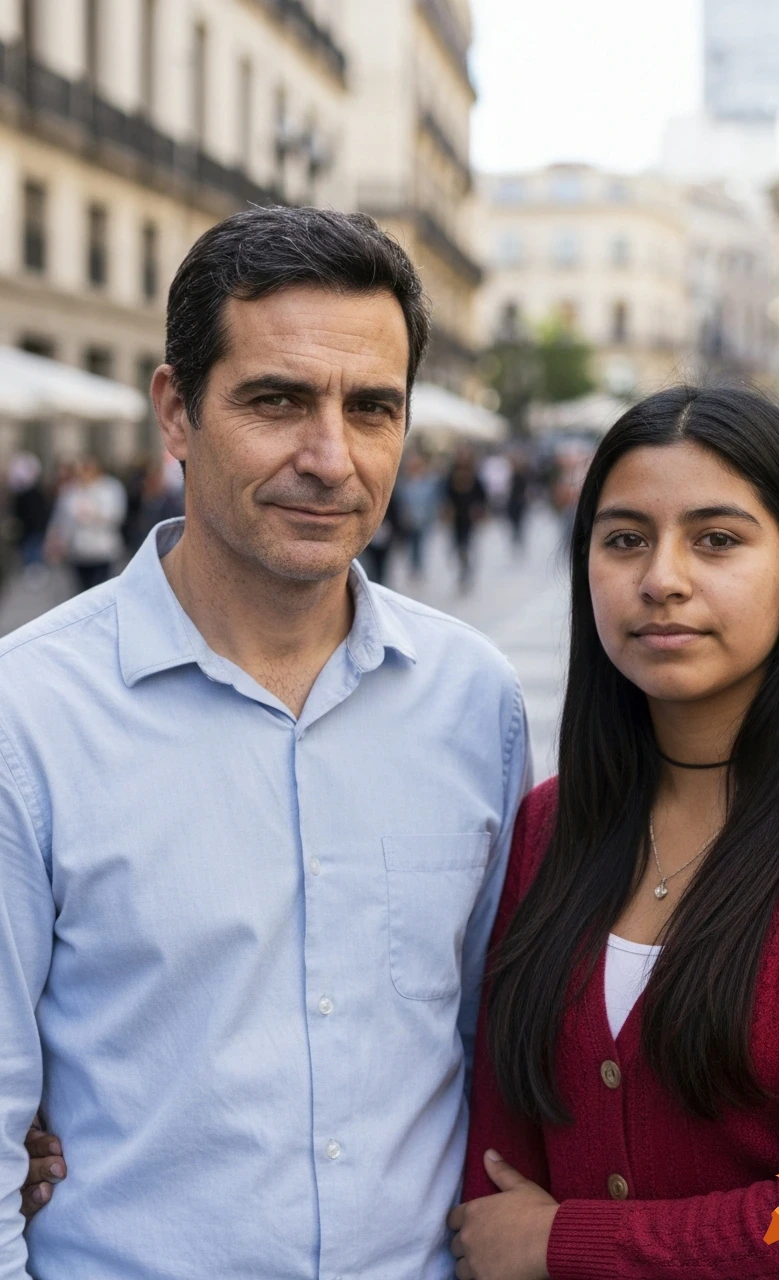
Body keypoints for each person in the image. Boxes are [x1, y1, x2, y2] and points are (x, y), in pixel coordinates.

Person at [0, 206, 530, 1279]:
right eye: (278, 400)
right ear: (175, 411)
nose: (329, 457)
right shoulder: (30, 715)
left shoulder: (474, 698)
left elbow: (489, 1041)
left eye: (371, 408)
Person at [451, 386, 779, 1279]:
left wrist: (563, 1242)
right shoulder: (551, 820)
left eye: (717, 539)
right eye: (624, 540)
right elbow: (496, 1160)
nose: (662, 577)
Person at [45, 455, 127, 591]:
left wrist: (94, 514)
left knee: (100, 589)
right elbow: (61, 518)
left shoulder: (110, 488)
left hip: (102, 549)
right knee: (81, 590)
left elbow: (117, 515)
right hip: (78, 550)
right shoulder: (71, 490)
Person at [444, 445, 488, 593]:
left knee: (467, 546)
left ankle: (466, 572)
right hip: (456, 517)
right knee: (458, 546)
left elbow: (482, 495)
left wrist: (479, 509)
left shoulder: (474, 475)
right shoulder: (451, 474)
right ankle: (463, 571)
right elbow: (446, 494)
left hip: (469, 517)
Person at [395, 450, 440, 577]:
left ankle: (419, 566)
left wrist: (432, 515)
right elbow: (400, 501)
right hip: (409, 519)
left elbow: (433, 500)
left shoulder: (428, 481)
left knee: (420, 543)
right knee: (411, 544)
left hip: (423, 518)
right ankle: (413, 566)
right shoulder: (404, 483)